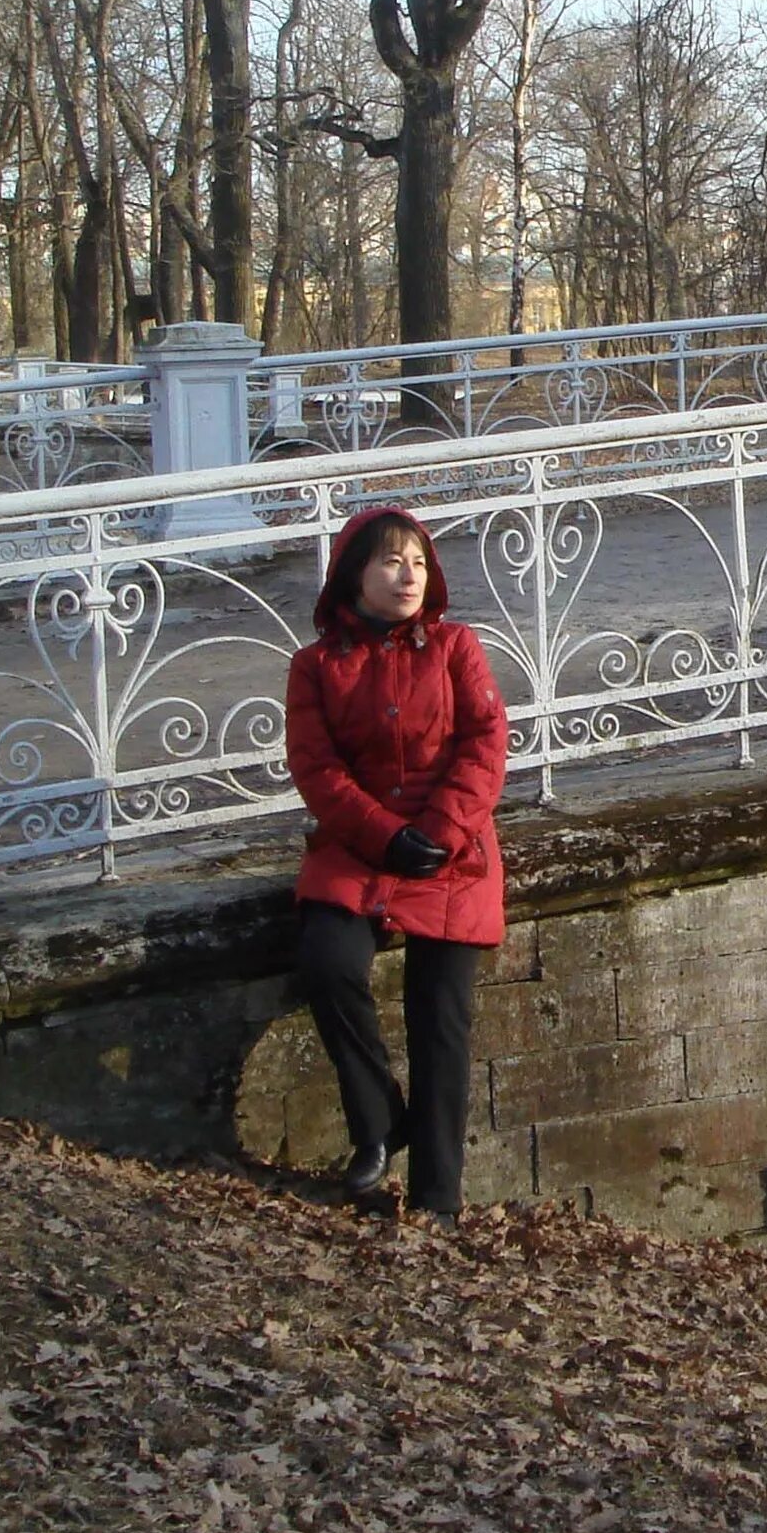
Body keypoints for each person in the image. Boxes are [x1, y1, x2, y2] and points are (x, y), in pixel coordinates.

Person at [283, 506, 509, 1219]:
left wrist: (440, 829)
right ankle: (379, 1123)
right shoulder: (315, 667)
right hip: (358, 846)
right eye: (389, 561)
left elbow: (486, 743)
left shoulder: (455, 648)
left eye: (417, 561)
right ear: (354, 575)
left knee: (441, 1012)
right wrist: (383, 836)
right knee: (327, 960)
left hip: (453, 847)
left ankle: (438, 1196)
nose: (408, 575)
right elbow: (316, 770)